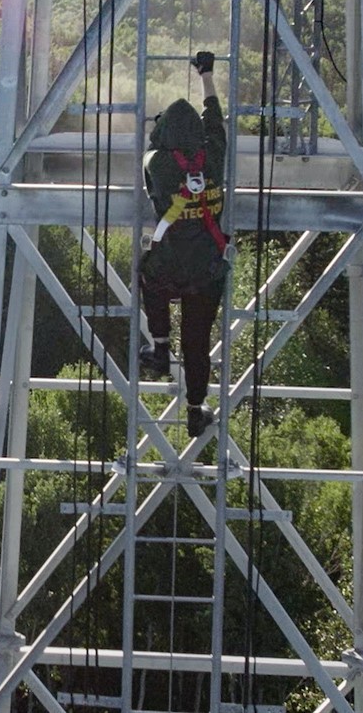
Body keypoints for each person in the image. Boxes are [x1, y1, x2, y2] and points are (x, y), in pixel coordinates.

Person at [138, 51, 228, 438]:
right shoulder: (215, 155)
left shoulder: (157, 164)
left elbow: (151, 165)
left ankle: (159, 346)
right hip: (207, 269)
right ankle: (195, 409)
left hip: (171, 266)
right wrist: (206, 75)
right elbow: (214, 115)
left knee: (147, 274)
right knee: (197, 340)